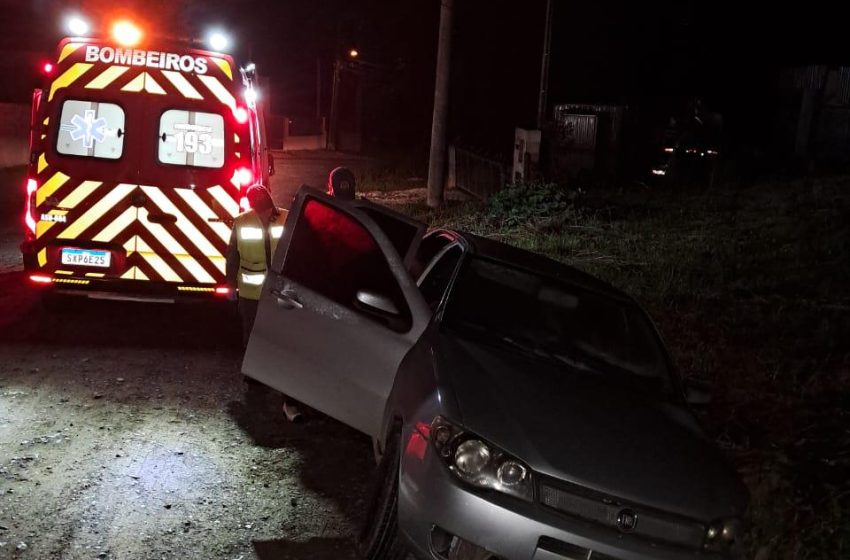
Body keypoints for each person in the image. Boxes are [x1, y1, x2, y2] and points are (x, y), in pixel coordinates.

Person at [226, 184, 302, 422]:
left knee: (280, 335)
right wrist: (230, 284)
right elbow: (233, 256)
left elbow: (295, 251)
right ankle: (254, 377)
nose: (265, 214)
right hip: (252, 290)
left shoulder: (285, 218)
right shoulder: (241, 222)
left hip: (278, 291)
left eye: (267, 209)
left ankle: (273, 376)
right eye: (262, 210)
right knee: (251, 334)